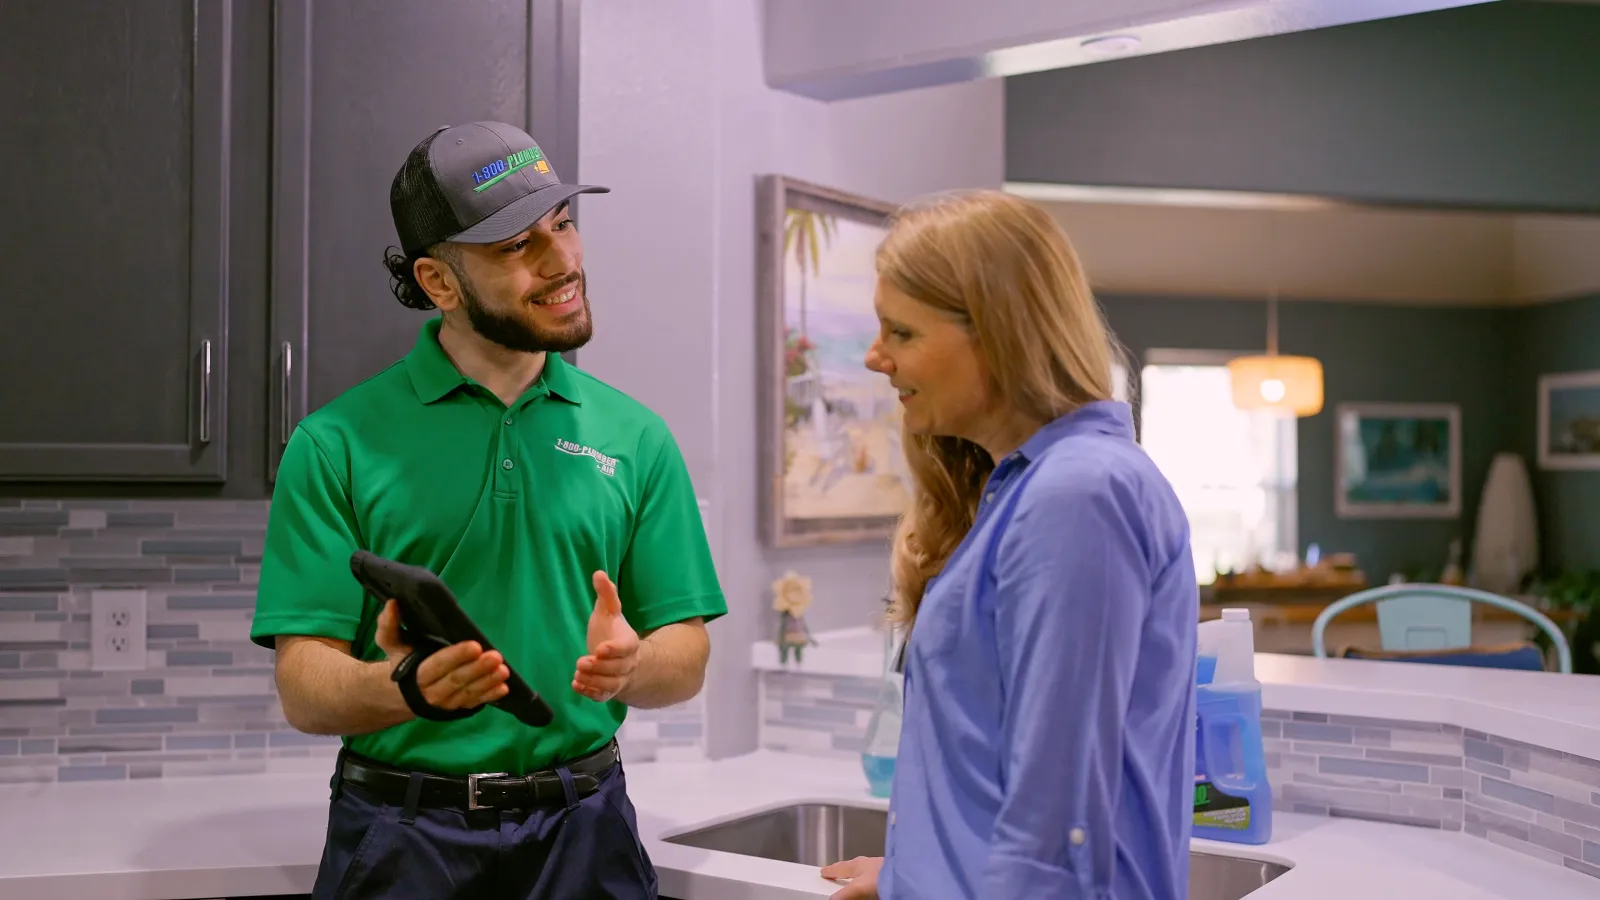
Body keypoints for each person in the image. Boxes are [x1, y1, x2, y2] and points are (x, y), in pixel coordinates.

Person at [250, 121, 727, 900]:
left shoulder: (637, 438)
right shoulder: (334, 444)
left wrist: (632, 665)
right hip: (402, 835)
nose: (563, 261)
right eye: (516, 246)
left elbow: (688, 653)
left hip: (587, 828)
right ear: (440, 283)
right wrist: (406, 688)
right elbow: (304, 686)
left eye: (563, 225)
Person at [821, 190, 1199, 900]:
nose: (876, 358)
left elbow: (1052, 828)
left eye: (901, 334)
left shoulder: (1077, 495)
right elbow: (990, 763)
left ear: (996, 333)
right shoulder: (1025, 489)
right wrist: (915, 870)